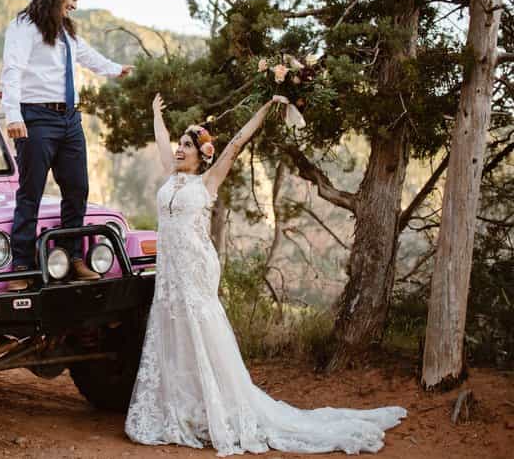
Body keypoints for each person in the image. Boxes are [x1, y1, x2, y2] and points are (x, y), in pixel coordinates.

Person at [125, 93, 407, 455]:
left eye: (187, 145)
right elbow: (161, 141)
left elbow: (239, 141)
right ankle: (184, 407)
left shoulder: (207, 182)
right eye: (179, 143)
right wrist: (154, 115)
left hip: (195, 270)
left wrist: (264, 109)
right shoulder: (171, 176)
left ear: (201, 155)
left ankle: (218, 405)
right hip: (170, 274)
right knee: (173, 332)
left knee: (201, 330)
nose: (178, 149)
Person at [1, 0, 133, 291]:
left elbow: (87, 57)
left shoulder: (66, 32)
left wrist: (117, 70)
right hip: (36, 118)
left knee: (77, 189)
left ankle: (74, 257)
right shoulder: (24, 27)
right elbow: (12, 71)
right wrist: (13, 115)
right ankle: (21, 265)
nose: (75, 5)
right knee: (30, 192)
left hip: (70, 120)